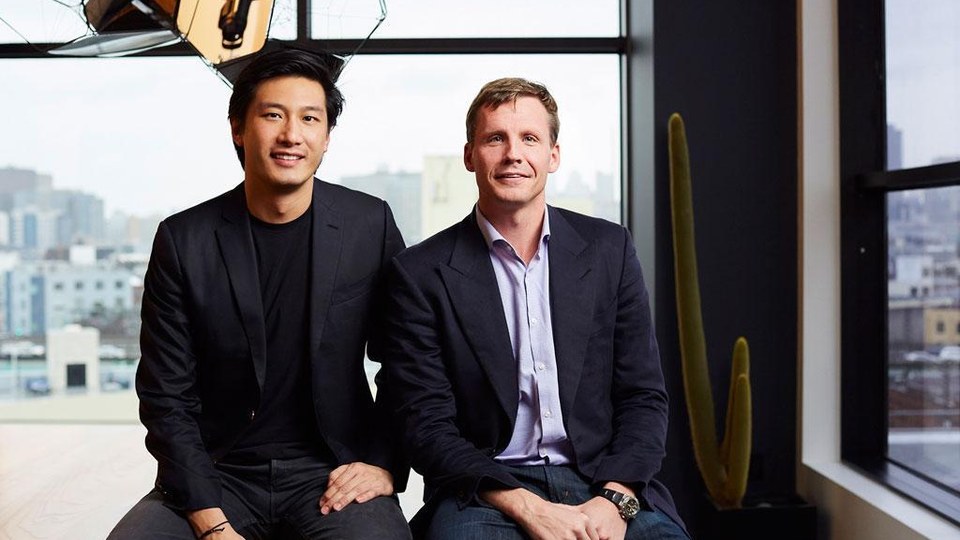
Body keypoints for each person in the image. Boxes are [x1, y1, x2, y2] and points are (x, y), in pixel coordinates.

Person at [109, 48, 410, 539]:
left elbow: (408, 362)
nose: (291, 134)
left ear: (327, 136)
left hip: (332, 471)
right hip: (217, 469)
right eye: (273, 115)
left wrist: (384, 463)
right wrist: (210, 522)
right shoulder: (184, 241)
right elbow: (166, 395)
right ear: (238, 128)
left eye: (309, 118)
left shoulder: (368, 224)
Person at [383, 78, 688, 540]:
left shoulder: (610, 249)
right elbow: (425, 423)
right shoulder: (420, 272)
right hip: (485, 489)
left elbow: (643, 396)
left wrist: (616, 499)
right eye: (495, 139)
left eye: (529, 138)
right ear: (470, 156)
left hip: (601, 480)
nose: (513, 154)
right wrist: (527, 506)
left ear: (553, 155)